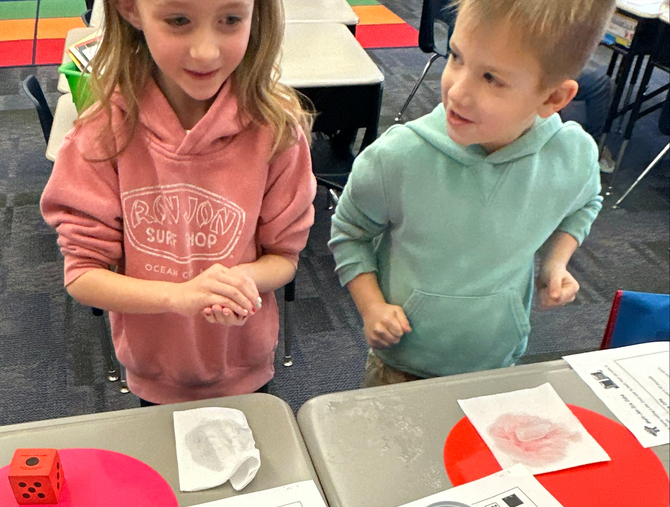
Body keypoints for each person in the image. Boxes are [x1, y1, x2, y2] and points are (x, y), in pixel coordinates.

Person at [41, 0, 316, 405]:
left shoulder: (275, 131)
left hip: (243, 365)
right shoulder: (102, 134)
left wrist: (240, 284)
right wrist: (179, 297)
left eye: (230, 19)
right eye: (178, 20)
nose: (205, 51)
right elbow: (82, 275)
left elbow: (284, 258)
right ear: (131, 10)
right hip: (155, 371)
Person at [329, 0, 613, 388]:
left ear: (553, 99)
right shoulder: (397, 157)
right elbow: (349, 232)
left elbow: (585, 202)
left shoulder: (573, 154)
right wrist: (372, 307)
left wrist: (556, 262)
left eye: (492, 78)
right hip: (401, 365)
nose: (457, 92)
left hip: (497, 360)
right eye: (456, 57)